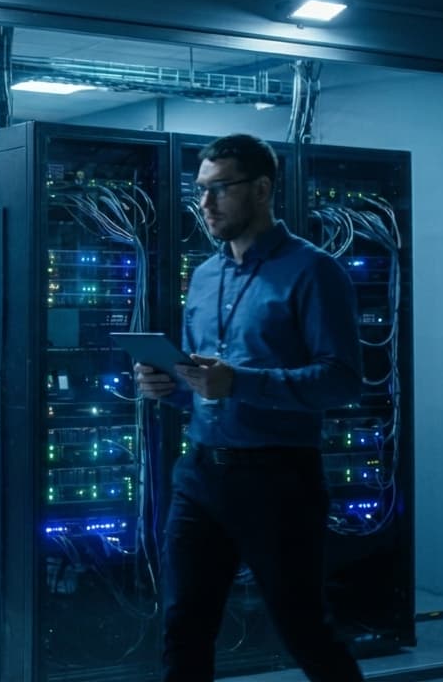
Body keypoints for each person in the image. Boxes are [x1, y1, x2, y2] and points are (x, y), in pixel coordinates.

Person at [135, 133, 365, 681]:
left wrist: (239, 383)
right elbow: (207, 382)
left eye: (220, 190)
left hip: (278, 477)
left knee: (303, 627)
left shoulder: (314, 271)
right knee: (184, 623)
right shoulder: (205, 274)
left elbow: (341, 381)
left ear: (262, 189)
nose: (206, 205)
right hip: (201, 472)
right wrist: (169, 386)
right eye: (201, 192)